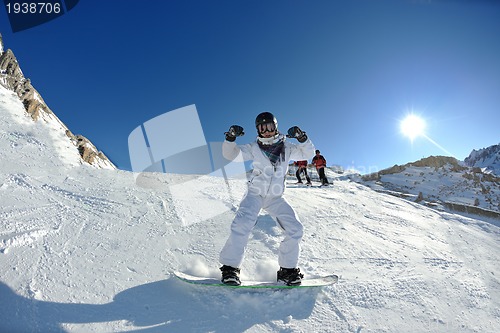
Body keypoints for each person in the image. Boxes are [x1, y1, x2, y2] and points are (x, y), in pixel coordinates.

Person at [219, 112, 315, 286]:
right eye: (262, 128)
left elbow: (307, 153)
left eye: (270, 127)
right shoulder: (253, 147)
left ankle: (287, 270)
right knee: (242, 224)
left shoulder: (287, 147)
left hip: (275, 197)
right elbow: (231, 155)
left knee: (295, 228)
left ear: (276, 127)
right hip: (255, 194)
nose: (267, 131)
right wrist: (231, 138)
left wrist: (302, 138)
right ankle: (230, 269)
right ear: (258, 130)